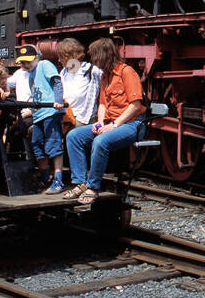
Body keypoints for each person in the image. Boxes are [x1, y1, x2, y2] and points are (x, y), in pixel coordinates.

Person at [64, 38, 144, 205]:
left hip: (132, 124)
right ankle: (80, 182)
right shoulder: (105, 76)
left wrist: (114, 125)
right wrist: (100, 122)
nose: (94, 62)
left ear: (103, 56)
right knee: (73, 136)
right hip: (111, 122)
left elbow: (135, 106)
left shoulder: (127, 72)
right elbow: (102, 103)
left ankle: (93, 186)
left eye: (95, 58)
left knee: (100, 141)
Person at [26, 46, 66, 192]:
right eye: (22, 62)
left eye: (27, 61)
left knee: (53, 145)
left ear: (37, 57)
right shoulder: (31, 74)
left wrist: (58, 100)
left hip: (50, 111)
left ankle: (58, 180)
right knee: (37, 145)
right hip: (38, 115)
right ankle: (44, 178)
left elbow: (56, 81)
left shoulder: (44, 65)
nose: (25, 65)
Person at [58, 37, 100, 133]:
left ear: (68, 56)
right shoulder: (64, 72)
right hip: (67, 117)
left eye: (61, 57)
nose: (59, 60)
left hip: (84, 117)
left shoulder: (91, 70)